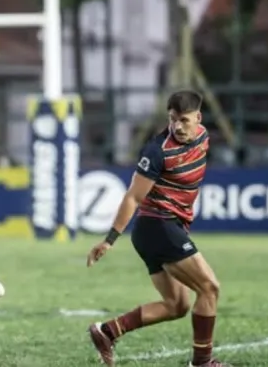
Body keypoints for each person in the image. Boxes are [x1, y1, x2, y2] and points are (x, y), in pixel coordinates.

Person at [86, 90, 227, 367]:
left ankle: (108, 331)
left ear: (198, 118)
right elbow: (133, 197)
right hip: (157, 226)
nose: (177, 126)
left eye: (184, 120)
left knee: (177, 305)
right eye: (173, 120)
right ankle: (202, 363)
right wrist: (109, 239)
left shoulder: (203, 136)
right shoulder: (157, 150)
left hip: (167, 227)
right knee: (209, 288)